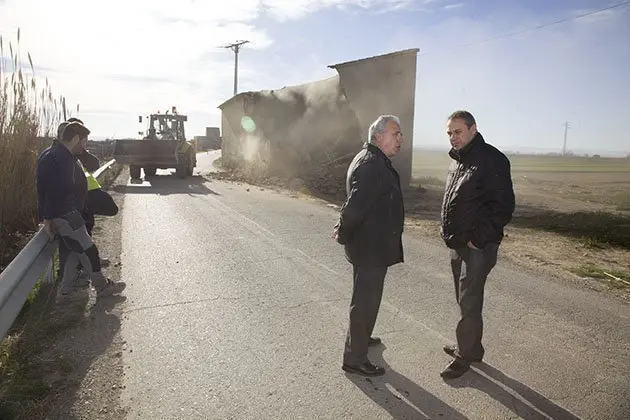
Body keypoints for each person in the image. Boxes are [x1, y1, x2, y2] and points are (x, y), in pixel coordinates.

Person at [439, 110, 515, 379]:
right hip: (458, 243)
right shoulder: (458, 160)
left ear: (473, 129)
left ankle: (464, 356)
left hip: (477, 247)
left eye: (457, 132)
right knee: (464, 298)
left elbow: (503, 207)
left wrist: (477, 240)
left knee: (469, 300)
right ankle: (472, 347)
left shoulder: (491, 160)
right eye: (449, 133)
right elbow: (454, 200)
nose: (452, 138)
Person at [333, 115, 405, 377]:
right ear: (378, 137)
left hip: (370, 244)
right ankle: (355, 359)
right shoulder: (372, 164)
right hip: (370, 248)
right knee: (365, 302)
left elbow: (357, 201)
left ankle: (361, 339)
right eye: (395, 134)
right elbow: (355, 208)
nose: (400, 139)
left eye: (400, 135)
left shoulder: (370, 158)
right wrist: (342, 231)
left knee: (364, 300)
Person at [36, 120, 126, 302]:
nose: (85, 145)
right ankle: (102, 287)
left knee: (75, 252)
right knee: (89, 251)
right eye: (84, 141)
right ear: (76, 138)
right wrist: (47, 219)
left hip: (67, 214)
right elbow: (50, 190)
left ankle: (64, 292)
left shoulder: (57, 155)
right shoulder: (60, 158)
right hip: (65, 215)